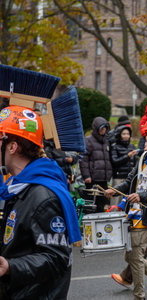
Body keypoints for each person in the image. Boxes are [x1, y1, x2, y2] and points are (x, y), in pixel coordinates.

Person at [0, 105, 81, 299]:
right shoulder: (18, 185)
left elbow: (57, 258)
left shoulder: (44, 197)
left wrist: (10, 267)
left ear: (12, 147)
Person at [104, 112, 147, 300]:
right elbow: (130, 180)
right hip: (135, 212)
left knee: (135, 256)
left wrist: (141, 196)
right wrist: (114, 189)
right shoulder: (143, 156)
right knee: (131, 256)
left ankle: (139, 296)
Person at [79, 116, 113, 212]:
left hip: (103, 178)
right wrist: (86, 176)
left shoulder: (106, 141)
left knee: (103, 203)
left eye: (105, 128)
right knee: (92, 203)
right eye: (101, 128)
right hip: (93, 179)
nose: (104, 130)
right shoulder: (88, 140)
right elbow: (83, 159)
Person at [110, 125, 138, 204]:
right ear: (119, 135)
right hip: (119, 178)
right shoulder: (115, 147)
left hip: (129, 179)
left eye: (128, 134)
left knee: (127, 201)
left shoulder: (132, 146)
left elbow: (136, 163)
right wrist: (128, 156)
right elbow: (114, 161)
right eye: (124, 134)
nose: (126, 136)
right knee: (115, 201)